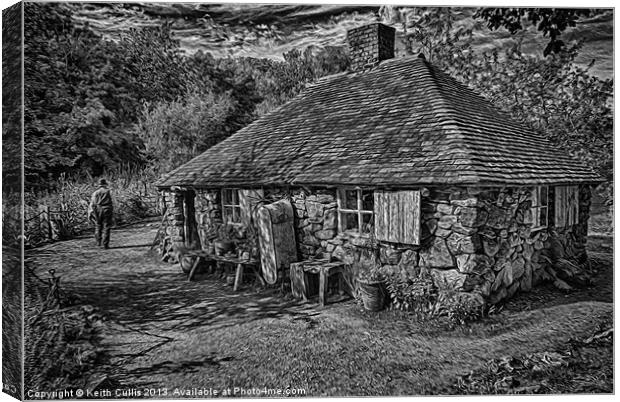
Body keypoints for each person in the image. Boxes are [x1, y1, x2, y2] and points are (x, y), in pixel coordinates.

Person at [89, 178, 114, 249]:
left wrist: (90, 213)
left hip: (97, 209)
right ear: (105, 184)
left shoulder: (95, 193)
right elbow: (113, 201)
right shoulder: (108, 191)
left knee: (98, 225)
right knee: (107, 226)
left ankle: (98, 242)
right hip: (107, 208)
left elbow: (92, 203)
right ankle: (105, 244)